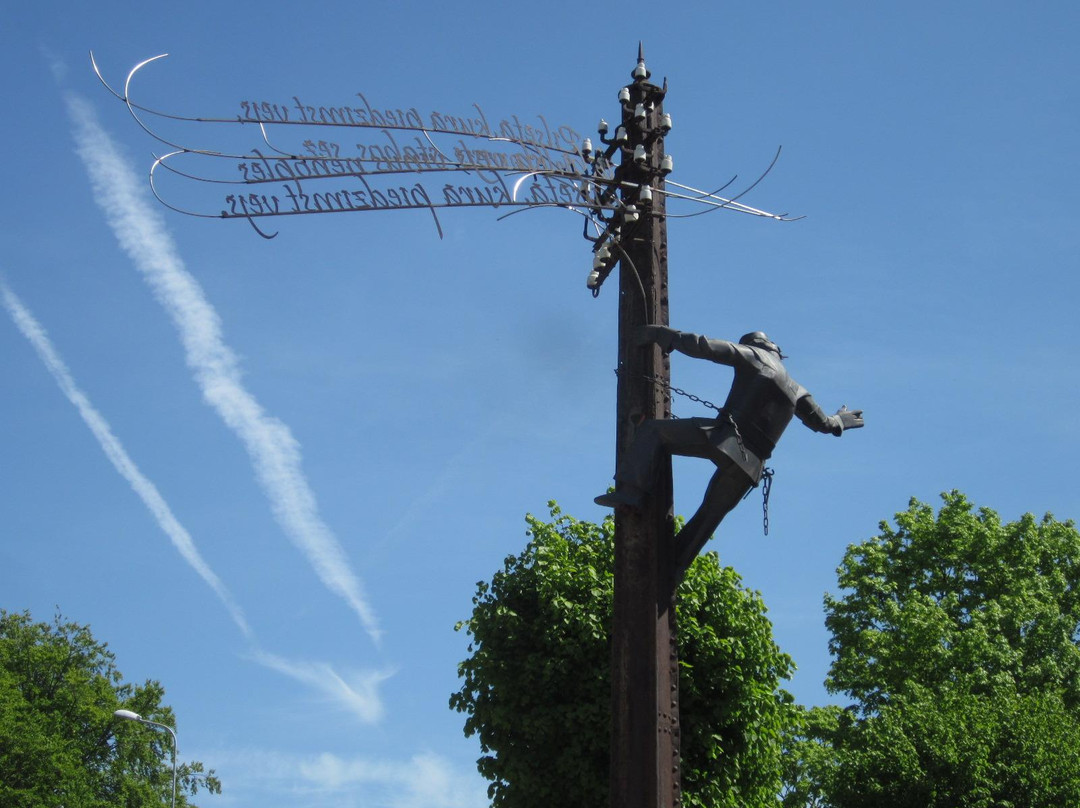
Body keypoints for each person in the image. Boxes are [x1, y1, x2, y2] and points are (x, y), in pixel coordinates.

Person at [595, 326, 864, 574]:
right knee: (709, 516)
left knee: (653, 432)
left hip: (726, 440)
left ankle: (631, 492)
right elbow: (824, 423)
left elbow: (706, 346)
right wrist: (841, 421)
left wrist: (663, 335)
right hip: (751, 466)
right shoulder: (798, 391)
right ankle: (673, 568)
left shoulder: (756, 356)